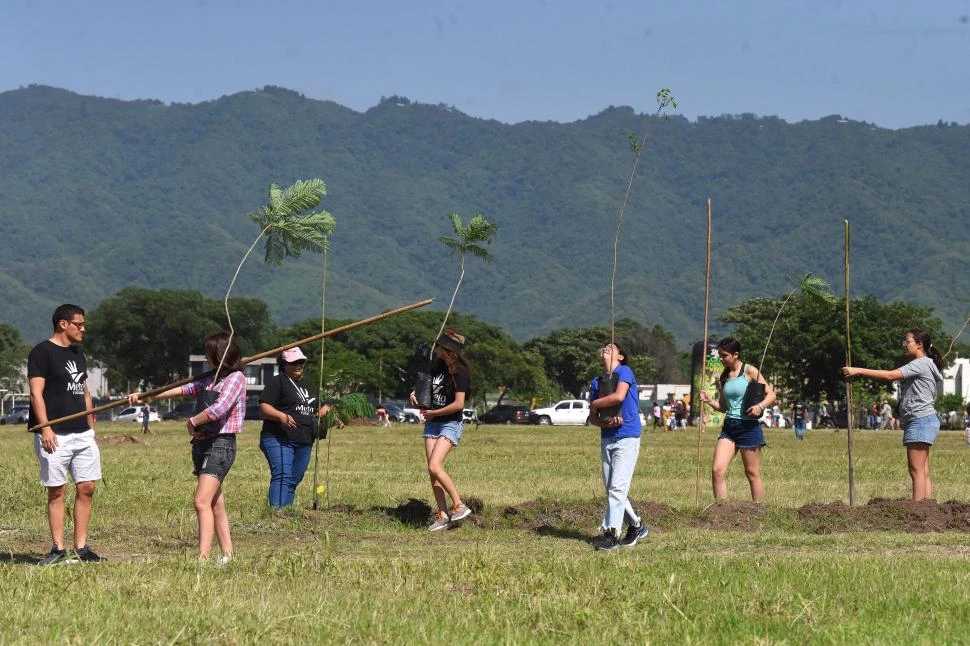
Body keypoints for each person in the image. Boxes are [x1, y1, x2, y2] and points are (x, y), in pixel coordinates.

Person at [129, 331, 245, 562]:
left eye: (208, 353)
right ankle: (228, 555)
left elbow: (218, 409)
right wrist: (149, 397)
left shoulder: (236, 378)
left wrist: (192, 422)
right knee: (214, 502)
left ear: (218, 355)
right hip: (202, 443)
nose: (205, 357)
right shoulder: (212, 378)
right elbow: (186, 388)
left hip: (221, 444)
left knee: (201, 501)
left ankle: (202, 559)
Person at [27, 304, 104, 565]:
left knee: (87, 487)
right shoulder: (41, 353)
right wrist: (45, 428)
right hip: (55, 434)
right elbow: (36, 393)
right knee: (57, 491)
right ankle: (58, 549)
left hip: (82, 433)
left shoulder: (77, 354)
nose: (84, 328)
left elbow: (84, 392)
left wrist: (91, 426)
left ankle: (81, 547)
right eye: (79, 324)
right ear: (63, 324)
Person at [842, 329, 945, 501]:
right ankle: (927, 508)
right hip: (924, 420)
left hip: (920, 420)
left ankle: (918, 510)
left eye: (907, 341)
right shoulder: (927, 363)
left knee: (916, 470)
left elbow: (890, 375)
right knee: (922, 470)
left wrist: (857, 370)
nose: (904, 345)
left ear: (919, 345)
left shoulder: (920, 363)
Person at [698, 337, 776, 502]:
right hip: (729, 428)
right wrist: (709, 401)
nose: (721, 358)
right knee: (717, 470)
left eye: (724, 355)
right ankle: (721, 510)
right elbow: (724, 407)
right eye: (720, 355)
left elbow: (771, 395)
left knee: (752, 473)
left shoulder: (749, 371)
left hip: (748, 427)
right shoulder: (725, 376)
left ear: (736, 354)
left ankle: (758, 510)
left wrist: (759, 407)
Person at [588, 343, 649, 550]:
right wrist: (604, 422)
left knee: (617, 488)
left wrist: (596, 404)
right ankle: (636, 525)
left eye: (611, 347)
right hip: (607, 437)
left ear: (620, 356)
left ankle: (611, 534)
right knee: (612, 489)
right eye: (603, 348)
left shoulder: (625, 371)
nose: (605, 349)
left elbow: (619, 396)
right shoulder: (597, 382)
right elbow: (592, 419)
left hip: (627, 437)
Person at [411, 328, 473, 532]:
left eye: (439, 346)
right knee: (432, 471)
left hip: (449, 423)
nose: (436, 349)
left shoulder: (460, 373)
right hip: (432, 423)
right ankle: (443, 514)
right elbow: (425, 390)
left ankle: (459, 505)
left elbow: (458, 405)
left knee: (435, 466)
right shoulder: (435, 369)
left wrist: (435, 414)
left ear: (447, 349)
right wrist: (415, 394)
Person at [258, 347, 330, 508]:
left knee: (294, 478)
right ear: (283, 364)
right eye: (293, 362)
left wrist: (327, 412)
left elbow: (323, 406)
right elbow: (264, 406)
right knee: (282, 474)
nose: (298, 365)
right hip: (278, 437)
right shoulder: (278, 382)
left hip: (304, 440)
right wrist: (281, 416)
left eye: (301, 362)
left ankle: (286, 512)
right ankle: (276, 513)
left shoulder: (311, 384)